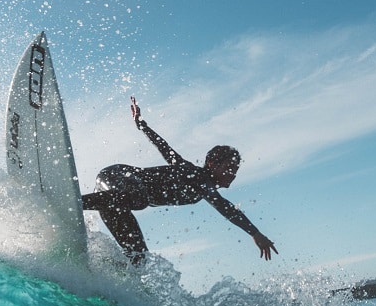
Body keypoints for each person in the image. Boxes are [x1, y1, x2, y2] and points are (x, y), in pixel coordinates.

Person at [81, 97, 278, 265]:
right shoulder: (198, 178)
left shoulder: (188, 173)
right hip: (116, 177)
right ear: (211, 163)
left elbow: (164, 148)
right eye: (228, 168)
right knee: (140, 199)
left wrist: (143, 125)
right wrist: (254, 233)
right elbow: (224, 206)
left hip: (114, 201)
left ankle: (101, 276)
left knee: (139, 257)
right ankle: (76, 201)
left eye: (235, 170)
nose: (232, 174)